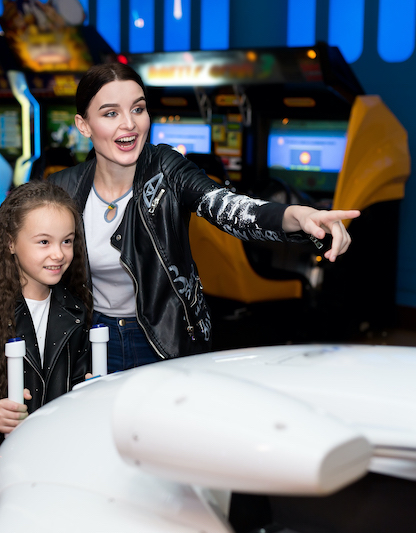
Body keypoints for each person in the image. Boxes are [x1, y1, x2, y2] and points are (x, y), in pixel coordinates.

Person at [49, 62, 360, 373]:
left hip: (164, 337)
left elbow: (228, 206)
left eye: (138, 109)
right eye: (110, 113)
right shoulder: (63, 188)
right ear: (84, 124)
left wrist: (298, 215)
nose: (129, 124)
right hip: (91, 339)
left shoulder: (166, 168)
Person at [0, 181, 92, 532]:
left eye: (67, 241)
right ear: (10, 243)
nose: (58, 254)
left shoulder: (74, 305)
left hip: (46, 460)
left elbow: (81, 375)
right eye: (44, 242)